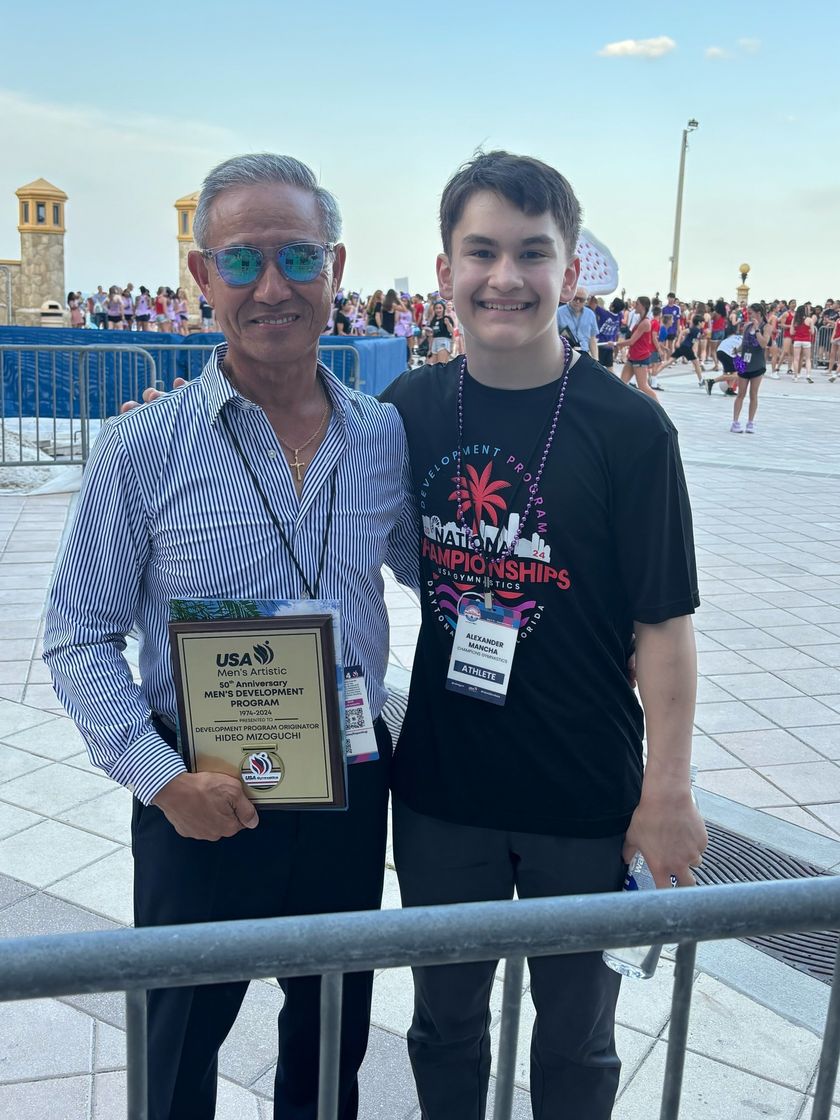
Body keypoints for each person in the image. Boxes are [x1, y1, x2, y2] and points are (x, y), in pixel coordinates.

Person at [43, 152, 418, 1120]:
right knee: (176, 1046)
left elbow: (441, 565)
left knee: (329, 1042)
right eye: (243, 261)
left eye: (298, 257)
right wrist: (162, 780)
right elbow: (78, 634)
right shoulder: (143, 446)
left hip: (346, 780)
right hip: (199, 789)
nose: (273, 287)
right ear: (202, 276)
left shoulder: (381, 437)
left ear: (336, 267)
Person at [380, 150, 705, 1120]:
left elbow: (664, 624)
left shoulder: (630, 429)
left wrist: (667, 791)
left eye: (532, 252)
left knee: (577, 1041)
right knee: (444, 1026)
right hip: (443, 789)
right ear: (445, 270)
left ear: (570, 270)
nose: (505, 278)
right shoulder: (405, 413)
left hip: (585, 795)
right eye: (481, 252)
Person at [731, 303, 772, 433]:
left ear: (758, 313)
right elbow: (744, 343)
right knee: (740, 393)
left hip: (757, 363)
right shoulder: (747, 326)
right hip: (743, 362)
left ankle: (750, 422)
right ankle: (735, 422)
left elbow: (763, 344)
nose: (748, 315)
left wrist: (757, 329)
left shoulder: (766, 327)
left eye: (750, 313)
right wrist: (736, 350)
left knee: (753, 394)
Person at [615, 296, 659, 399]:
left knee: (643, 386)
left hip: (640, 357)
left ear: (643, 306)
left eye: (637, 304)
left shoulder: (645, 323)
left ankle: (658, 406)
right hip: (633, 356)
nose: (635, 306)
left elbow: (632, 341)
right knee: (622, 383)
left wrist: (616, 344)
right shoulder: (640, 320)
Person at [556, 287, 598, 358]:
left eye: (581, 300)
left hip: (584, 354)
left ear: (586, 301)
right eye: (575, 298)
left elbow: (592, 339)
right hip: (565, 355)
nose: (577, 301)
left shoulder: (590, 314)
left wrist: (596, 359)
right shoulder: (559, 312)